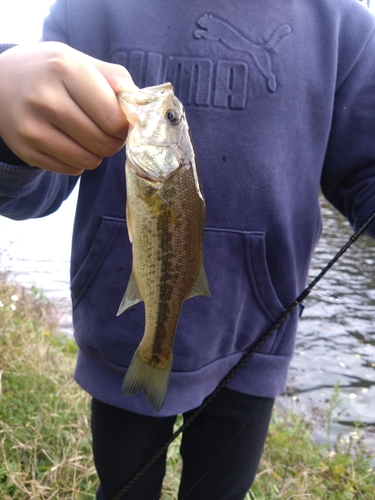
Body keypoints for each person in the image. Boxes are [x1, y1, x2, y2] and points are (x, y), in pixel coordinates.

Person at [1, 0, 375, 498]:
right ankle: (153, 355)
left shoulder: (343, 26)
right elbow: (39, 187)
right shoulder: (89, 9)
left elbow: (362, 176)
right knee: (124, 487)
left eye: (170, 118)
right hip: (120, 338)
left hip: (255, 341)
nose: (167, 109)